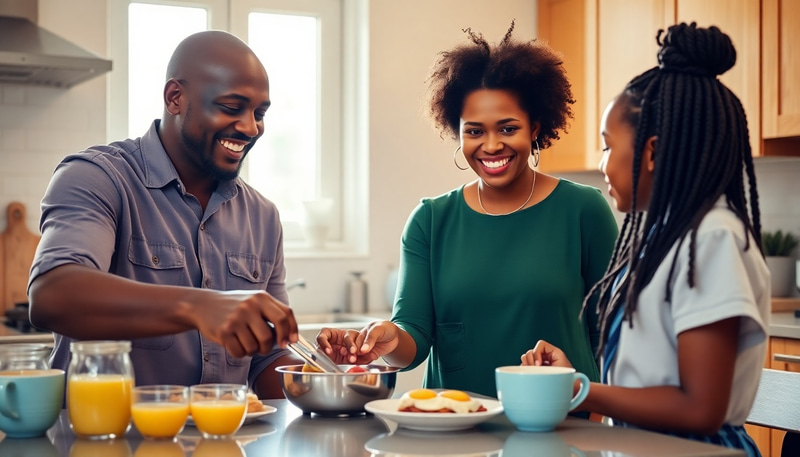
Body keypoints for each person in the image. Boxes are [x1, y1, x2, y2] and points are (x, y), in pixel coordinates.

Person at [317, 22, 619, 398]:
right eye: (474, 131)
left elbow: (614, 330)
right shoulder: (430, 221)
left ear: (535, 127)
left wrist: (596, 403)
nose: (491, 145)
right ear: (456, 131)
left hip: (562, 419)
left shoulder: (583, 210)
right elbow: (414, 337)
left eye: (507, 129)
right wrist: (389, 338)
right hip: (456, 429)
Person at [522, 23, 769, 455]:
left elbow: (700, 409)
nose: (602, 165)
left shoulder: (712, 239)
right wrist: (576, 383)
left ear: (651, 153)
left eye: (606, 146)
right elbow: (649, 380)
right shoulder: (665, 237)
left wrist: (579, 390)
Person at [27, 30, 301, 398]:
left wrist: (326, 376)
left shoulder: (262, 216)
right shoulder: (97, 177)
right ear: (175, 98)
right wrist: (199, 306)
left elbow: (268, 358)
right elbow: (52, 296)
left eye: (260, 113)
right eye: (232, 107)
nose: (251, 127)